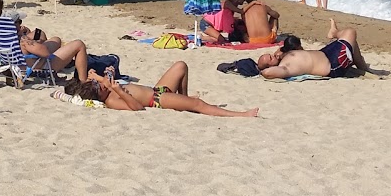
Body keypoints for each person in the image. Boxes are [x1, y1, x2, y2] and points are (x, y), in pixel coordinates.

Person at [64, 63, 258, 118]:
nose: (103, 84)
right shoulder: (111, 100)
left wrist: (97, 77)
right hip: (157, 100)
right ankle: (241, 114)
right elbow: (136, 108)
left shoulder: (106, 89)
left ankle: (183, 99)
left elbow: (105, 80)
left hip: (157, 90)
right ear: (100, 95)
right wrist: (119, 91)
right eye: (100, 87)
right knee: (198, 104)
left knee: (180, 66)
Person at [257, 19, 369, 79]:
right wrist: (261, 71)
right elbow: (268, 73)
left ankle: (362, 66)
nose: (273, 55)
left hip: (324, 53)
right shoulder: (285, 67)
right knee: (350, 32)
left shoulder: (281, 56)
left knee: (350, 41)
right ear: (271, 66)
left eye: (270, 55)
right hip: (333, 65)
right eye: (270, 59)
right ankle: (335, 33)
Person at [12, 14, 93, 80]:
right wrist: (33, 42)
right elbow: (45, 53)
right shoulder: (24, 41)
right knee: (79, 44)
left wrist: (27, 34)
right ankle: (83, 81)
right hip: (40, 66)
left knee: (55, 39)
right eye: (19, 22)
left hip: (22, 63)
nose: (21, 24)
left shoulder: (5, 38)